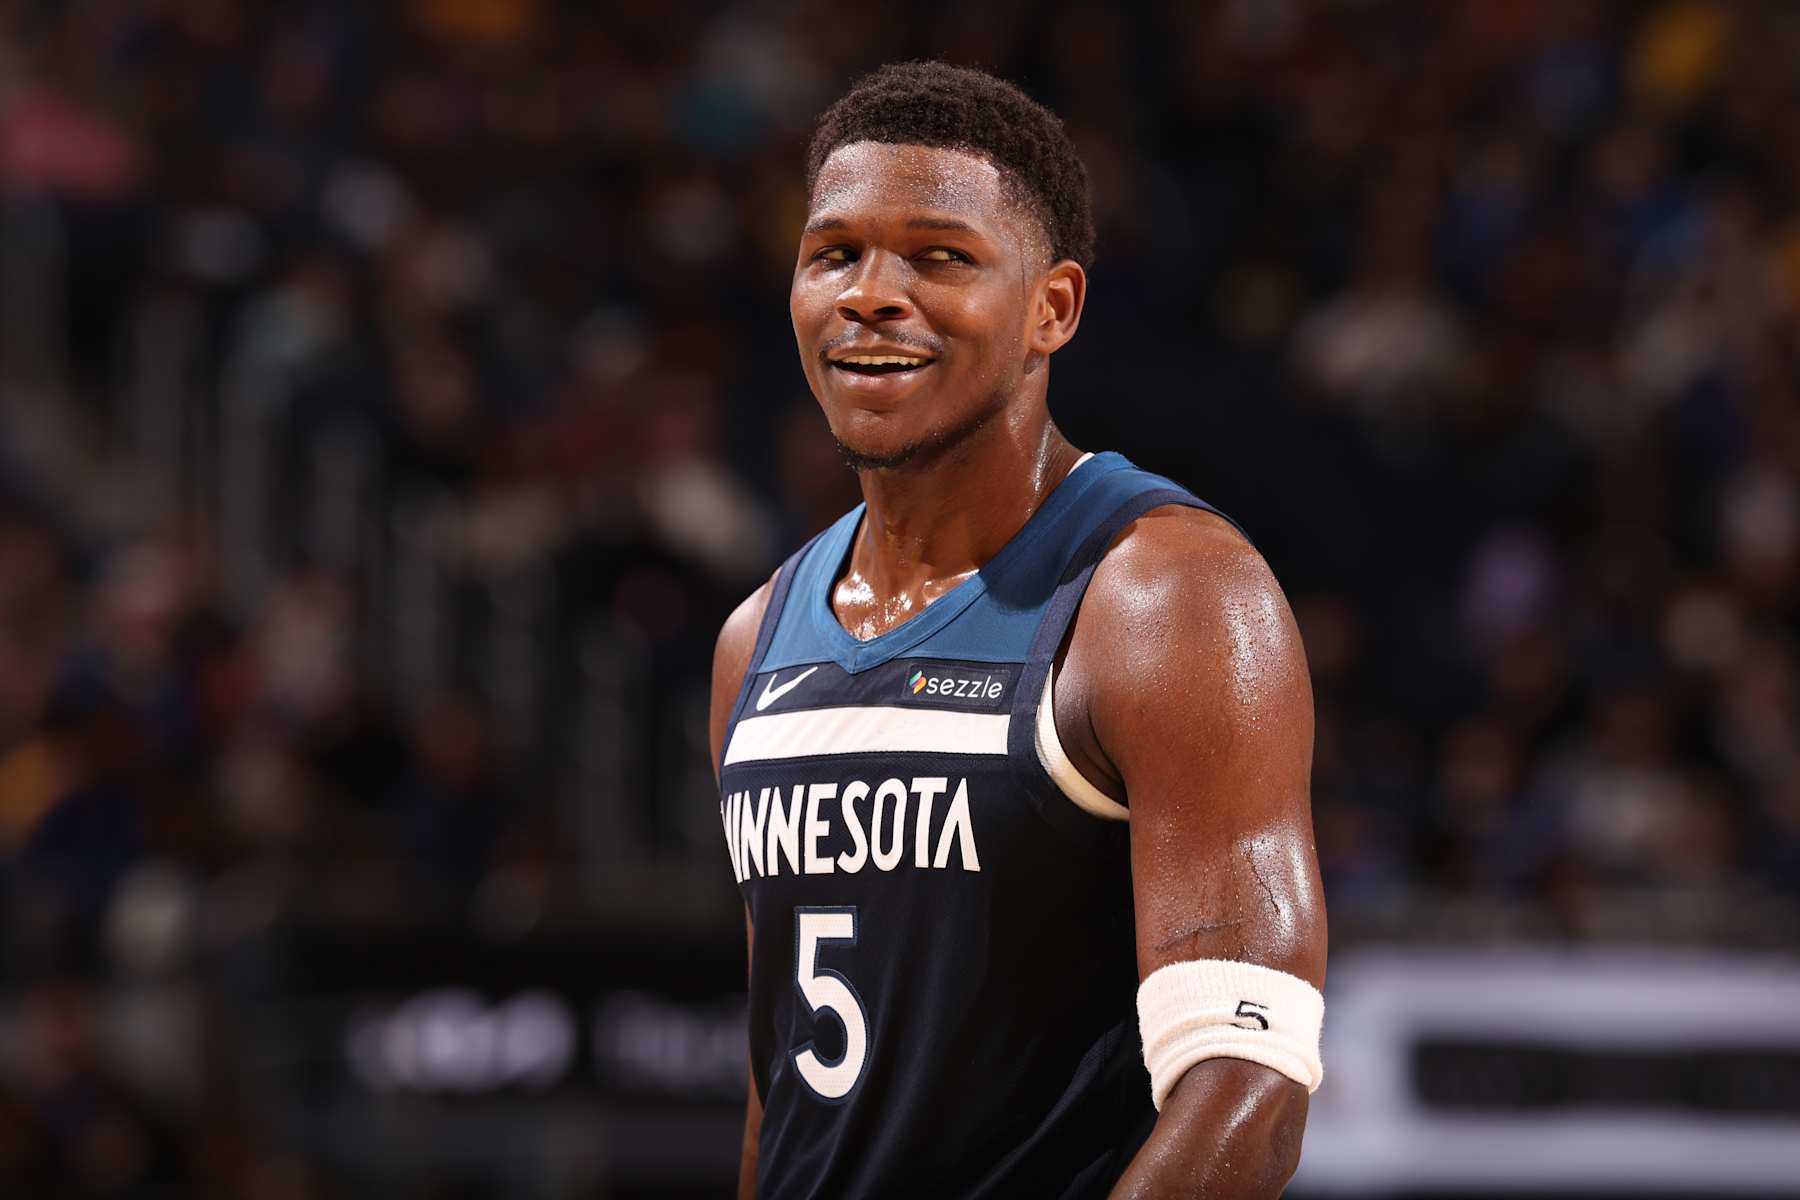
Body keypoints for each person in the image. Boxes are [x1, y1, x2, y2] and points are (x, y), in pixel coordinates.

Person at [709, 61, 1326, 1199]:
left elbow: (1248, 1081)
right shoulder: (757, 637)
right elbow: (782, 1091)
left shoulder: (1164, 597)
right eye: (834, 254)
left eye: (940, 257)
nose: (871, 294)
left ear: (1053, 308)